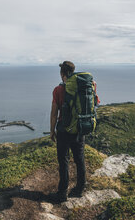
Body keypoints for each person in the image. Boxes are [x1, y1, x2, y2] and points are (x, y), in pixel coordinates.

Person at [49, 61, 86, 203]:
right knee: (79, 159)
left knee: (64, 161)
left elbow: (53, 114)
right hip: (79, 129)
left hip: (64, 130)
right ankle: (80, 189)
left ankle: (62, 193)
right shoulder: (84, 87)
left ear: (62, 74)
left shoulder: (58, 90)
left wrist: (52, 131)